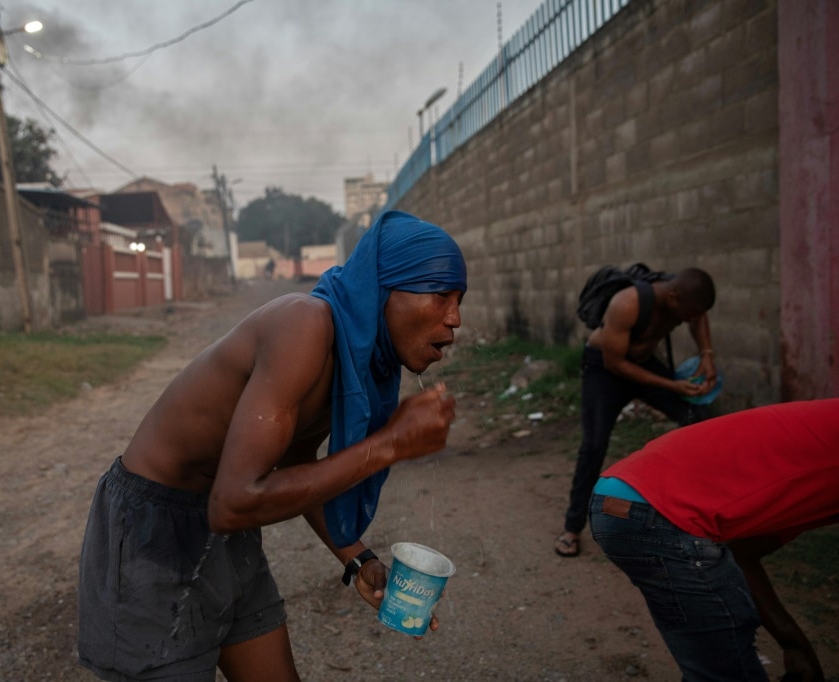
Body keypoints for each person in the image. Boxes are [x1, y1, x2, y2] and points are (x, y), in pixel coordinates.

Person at [77, 210, 467, 681]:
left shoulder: (359, 357)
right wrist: (389, 445)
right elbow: (234, 502)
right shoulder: (304, 325)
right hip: (153, 531)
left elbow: (296, 457)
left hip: (227, 532)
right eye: (441, 295)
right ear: (385, 290)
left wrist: (357, 559)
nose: (455, 319)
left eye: (459, 299)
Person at [589, 399, 839, 681]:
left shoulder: (809, 463)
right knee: (724, 668)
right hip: (657, 514)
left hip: (619, 498)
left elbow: (743, 553)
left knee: (716, 655)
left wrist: (793, 643)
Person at [555, 267, 718, 558]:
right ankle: (572, 527)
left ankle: (708, 514)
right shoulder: (626, 303)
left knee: (699, 422)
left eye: (696, 314)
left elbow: (699, 316)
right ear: (672, 297)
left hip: (643, 363)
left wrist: (707, 356)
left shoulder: (683, 300)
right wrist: (672, 385)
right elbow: (616, 364)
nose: (692, 320)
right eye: (689, 314)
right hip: (606, 369)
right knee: (593, 445)